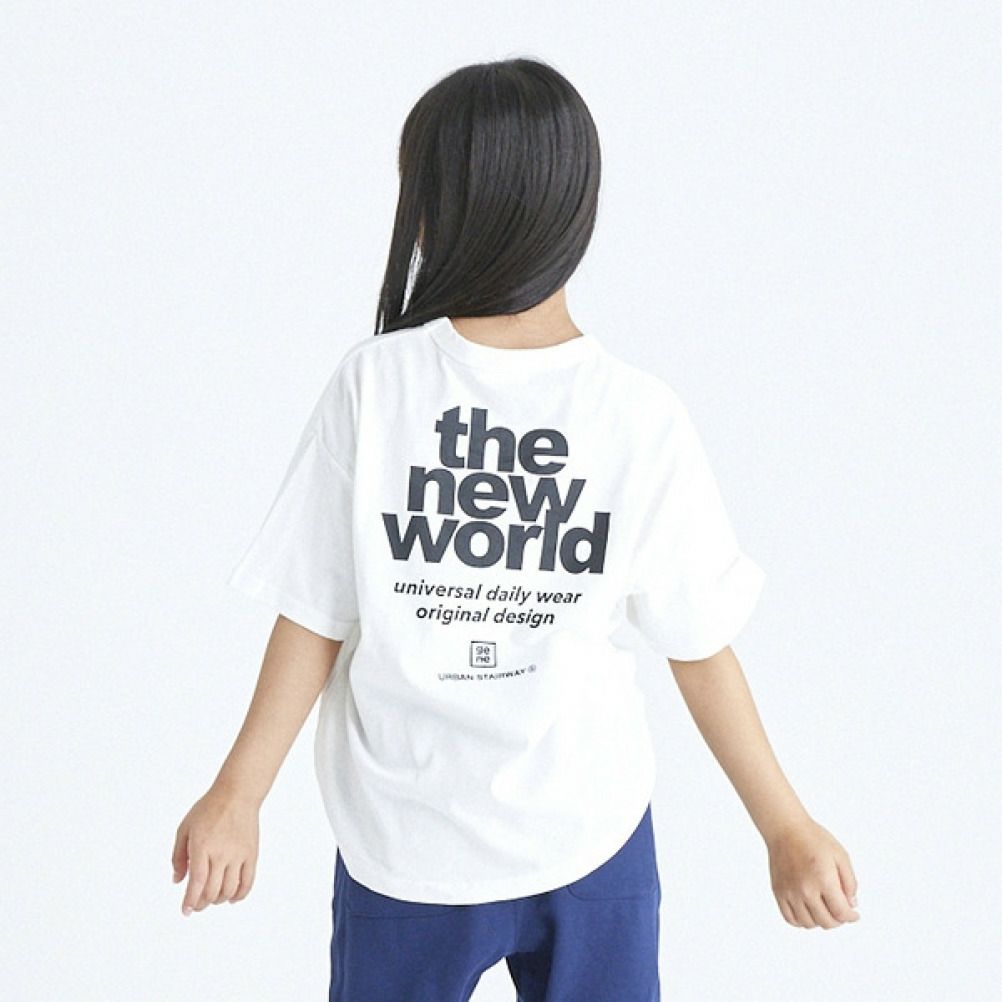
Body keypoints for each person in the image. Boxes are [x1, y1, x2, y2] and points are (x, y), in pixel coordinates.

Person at [171, 56, 860, 1002]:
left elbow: (698, 642)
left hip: (588, 837)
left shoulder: (634, 416)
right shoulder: (378, 388)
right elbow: (316, 607)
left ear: (435, 210)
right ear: (575, 205)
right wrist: (238, 793)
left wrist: (786, 827)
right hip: (404, 846)